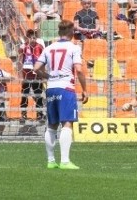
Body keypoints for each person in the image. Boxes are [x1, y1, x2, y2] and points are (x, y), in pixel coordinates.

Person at [33, 20, 88, 170]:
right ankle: (64, 161)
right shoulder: (74, 48)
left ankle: (51, 161)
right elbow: (79, 69)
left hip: (51, 88)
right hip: (66, 88)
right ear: (71, 32)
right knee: (67, 123)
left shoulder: (49, 48)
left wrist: (48, 76)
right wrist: (84, 89)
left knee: (51, 125)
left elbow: (36, 67)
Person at [19, 29, 46, 124]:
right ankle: (23, 114)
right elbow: (20, 60)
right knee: (24, 95)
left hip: (37, 76)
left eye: (34, 37)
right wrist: (20, 74)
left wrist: (43, 75)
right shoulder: (24, 47)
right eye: (30, 37)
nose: (32, 39)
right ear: (27, 38)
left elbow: (43, 62)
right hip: (27, 75)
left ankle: (39, 114)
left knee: (38, 95)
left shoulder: (40, 47)